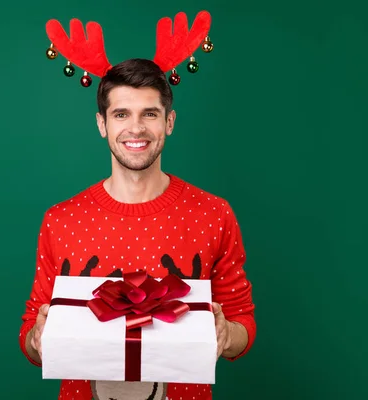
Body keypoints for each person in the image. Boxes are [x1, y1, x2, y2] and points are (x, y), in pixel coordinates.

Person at [18, 57, 256, 400]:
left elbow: (242, 324)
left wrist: (224, 334)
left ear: (169, 121)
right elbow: (30, 334)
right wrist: (37, 337)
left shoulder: (213, 213)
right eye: (121, 114)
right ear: (102, 124)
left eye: (149, 113)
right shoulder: (62, 220)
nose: (136, 128)